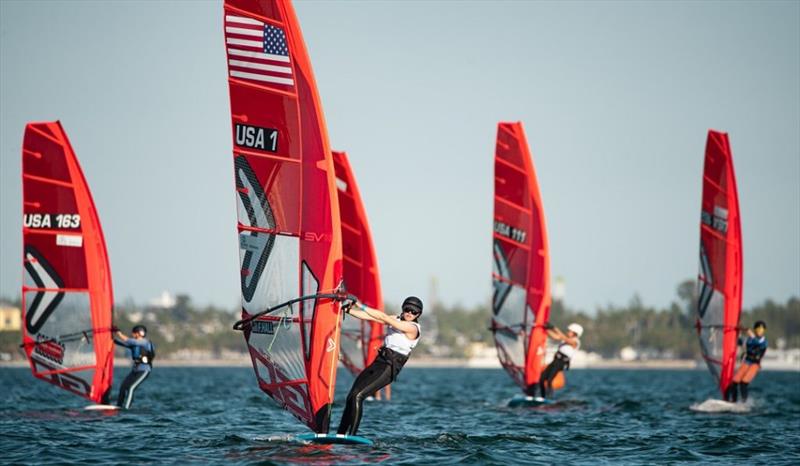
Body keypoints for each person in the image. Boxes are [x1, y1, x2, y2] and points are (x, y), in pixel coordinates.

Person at [336, 296, 422, 436]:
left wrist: (360, 304)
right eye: (407, 309)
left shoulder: (412, 328)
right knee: (351, 396)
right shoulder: (397, 318)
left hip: (389, 367)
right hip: (379, 362)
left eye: (414, 312)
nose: (409, 313)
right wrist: (347, 310)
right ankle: (339, 435)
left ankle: (352, 437)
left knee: (358, 396)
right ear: (403, 308)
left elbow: (383, 317)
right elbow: (371, 317)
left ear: (418, 315)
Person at [530, 322, 583, 399]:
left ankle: (549, 398)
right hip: (555, 361)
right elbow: (555, 337)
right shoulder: (565, 339)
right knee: (541, 378)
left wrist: (554, 328)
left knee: (549, 380)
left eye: (570, 331)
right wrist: (545, 329)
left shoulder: (576, 342)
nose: (568, 332)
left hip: (561, 362)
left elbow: (564, 338)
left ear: (575, 333)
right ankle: (542, 397)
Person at [724, 321, 767, 403]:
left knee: (743, 383)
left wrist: (749, 332)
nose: (760, 331)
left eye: (762, 330)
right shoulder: (749, 339)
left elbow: (758, 344)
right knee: (734, 382)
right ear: (755, 329)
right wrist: (738, 333)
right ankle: (732, 401)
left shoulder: (763, 341)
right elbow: (739, 342)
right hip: (747, 361)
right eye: (758, 329)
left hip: (755, 364)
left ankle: (744, 403)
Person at [114, 325, 155, 409]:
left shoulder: (145, 342)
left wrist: (119, 333)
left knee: (131, 388)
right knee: (123, 387)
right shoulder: (134, 343)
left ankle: (126, 408)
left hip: (144, 370)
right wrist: (110, 338)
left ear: (138, 333)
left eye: (134, 333)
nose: (132, 334)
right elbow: (121, 342)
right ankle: (118, 406)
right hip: (135, 370)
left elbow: (128, 340)